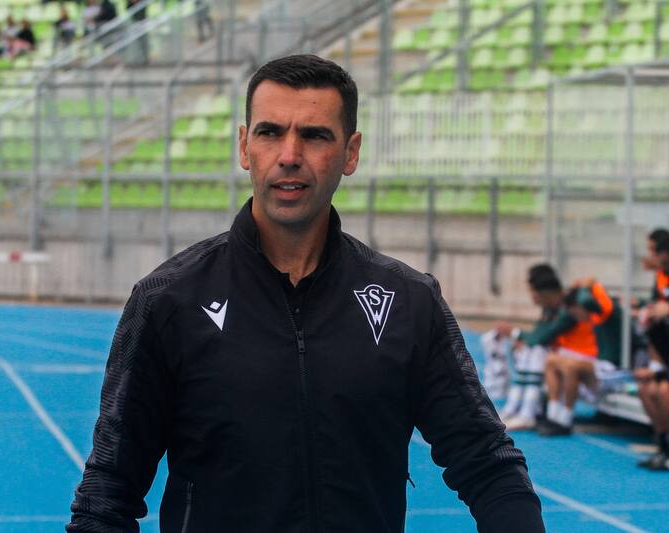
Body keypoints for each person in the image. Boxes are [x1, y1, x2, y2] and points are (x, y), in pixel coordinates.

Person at [67, 54, 544, 532]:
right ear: (243, 146)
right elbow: (108, 492)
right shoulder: (168, 300)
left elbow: (488, 463)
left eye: (315, 135)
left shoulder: (408, 301)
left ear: (351, 152)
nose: (289, 154)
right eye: (270, 132)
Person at [494, 264, 574, 430]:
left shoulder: (568, 308)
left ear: (544, 293)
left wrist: (515, 333)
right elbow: (538, 335)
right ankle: (514, 407)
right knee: (528, 349)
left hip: (580, 356)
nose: (531, 297)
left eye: (532, 292)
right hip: (563, 354)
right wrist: (522, 339)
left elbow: (541, 338)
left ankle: (527, 413)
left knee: (534, 351)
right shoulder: (550, 308)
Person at [538, 278, 622, 436]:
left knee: (571, 366)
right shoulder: (595, 316)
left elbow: (587, 298)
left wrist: (587, 285)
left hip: (613, 370)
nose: (575, 317)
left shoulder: (605, 312)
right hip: (598, 367)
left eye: (576, 312)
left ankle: (565, 419)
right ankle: (553, 415)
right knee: (551, 361)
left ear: (583, 306)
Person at [635, 228, 669, 469]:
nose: (649, 255)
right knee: (647, 388)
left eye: (652, 250)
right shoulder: (659, 277)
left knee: (664, 391)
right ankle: (663, 445)